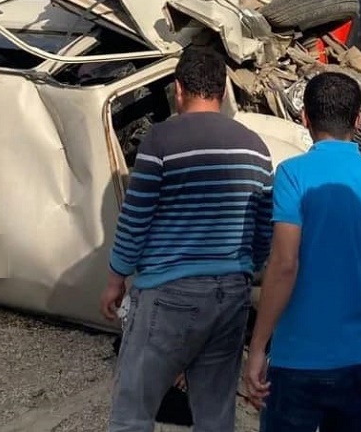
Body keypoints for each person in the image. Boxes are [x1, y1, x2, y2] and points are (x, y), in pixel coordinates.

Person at [99, 45, 274, 432]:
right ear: (224, 90)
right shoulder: (256, 148)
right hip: (231, 294)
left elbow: (136, 217)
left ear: (178, 90)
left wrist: (116, 279)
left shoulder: (161, 141)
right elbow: (264, 230)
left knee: (133, 412)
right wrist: (246, 269)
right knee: (214, 415)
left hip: (169, 294)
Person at [243, 71, 361, 432]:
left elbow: (284, 264)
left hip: (299, 357)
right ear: (359, 120)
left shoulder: (292, 175)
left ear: (304, 118)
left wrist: (257, 347)